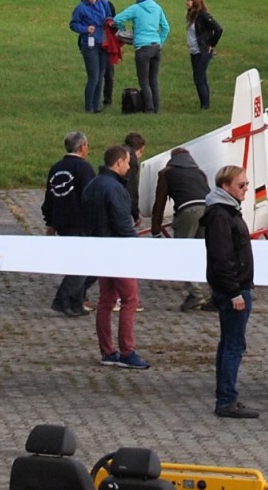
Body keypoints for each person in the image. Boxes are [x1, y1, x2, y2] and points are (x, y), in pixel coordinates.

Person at [81, 144, 148, 369]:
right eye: (127, 162)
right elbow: (123, 225)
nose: (129, 167)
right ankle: (128, 351)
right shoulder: (116, 188)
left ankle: (107, 351)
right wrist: (136, 249)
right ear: (118, 162)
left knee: (106, 301)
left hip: (98, 250)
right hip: (118, 252)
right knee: (130, 299)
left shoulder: (92, 185)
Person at [204, 164, 259, 418]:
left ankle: (226, 397)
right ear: (226, 187)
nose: (246, 189)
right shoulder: (221, 215)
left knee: (230, 343)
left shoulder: (228, 211)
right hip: (233, 290)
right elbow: (222, 257)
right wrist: (235, 291)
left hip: (236, 286)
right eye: (241, 185)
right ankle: (226, 399)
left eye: (246, 184)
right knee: (233, 345)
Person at [152, 147, 211, 311]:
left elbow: (160, 203)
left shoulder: (167, 173)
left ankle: (196, 294)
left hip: (187, 211)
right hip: (208, 210)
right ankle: (216, 294)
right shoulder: (200, 173)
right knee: (205, 253)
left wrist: (155, 230)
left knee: (184, 252)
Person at [43, 131, 95, 317]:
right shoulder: (84, 168)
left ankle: (77, 302)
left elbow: (49, 196)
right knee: (83, 264)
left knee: (76, 261)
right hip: (79, 222)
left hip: (61, 221)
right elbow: (90, 197)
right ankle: (62, 299)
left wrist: (50, 221)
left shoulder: (56, 167)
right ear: (82, 147)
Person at [114, 0, 171, 113]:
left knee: (144, 81)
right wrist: (160, 42)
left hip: (142, 48)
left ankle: (149, 109)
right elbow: (166, 28)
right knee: (153, 80)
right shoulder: (157, 8)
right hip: (156, 46)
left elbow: (117, 19)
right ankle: (156, 108)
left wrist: (123, 30)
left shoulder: (136, 8)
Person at [70, 0, 112, 113]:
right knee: (93, 76)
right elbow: (73, 24)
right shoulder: (81, 8)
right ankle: (88, 106)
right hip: (89, 45)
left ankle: (97, 105)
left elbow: (110, 17)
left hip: (103, 44)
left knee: (100, 76)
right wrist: (85, 29)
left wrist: (110, 23)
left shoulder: (104, 4)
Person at [185, 0, 223, 111]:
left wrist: (211, 44)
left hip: (203, 51)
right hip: (194, 51)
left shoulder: (203, 16)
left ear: (195, 1)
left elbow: (218, 29)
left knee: (198, 78)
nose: (187, 2)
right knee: (202, 78)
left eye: (189, 0)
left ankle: (205, 106)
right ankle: (205, 103)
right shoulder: (192, 15)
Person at [98, 0, 118, 110]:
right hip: (96, 43)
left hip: (108, 43)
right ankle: (95, 99)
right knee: (97, 74)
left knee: (109, 73)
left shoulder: (109, 5)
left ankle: (108, 99)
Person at [123, 132, 146, 227]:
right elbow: (131, 188)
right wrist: (136, 214)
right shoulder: (131, 161)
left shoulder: (119, 152)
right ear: (141, 150)